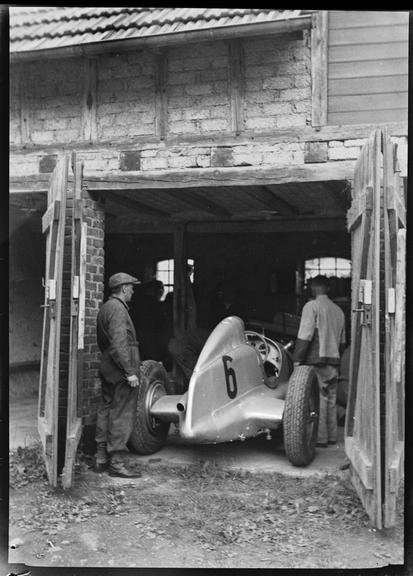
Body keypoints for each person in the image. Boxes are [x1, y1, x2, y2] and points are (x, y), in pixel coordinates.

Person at [94, 272, 142, 478]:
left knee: (106, 408)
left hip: (108, 364)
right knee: (122, 412)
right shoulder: (118, 310)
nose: (133, 290)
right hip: (120, 368)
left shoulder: (106, 307)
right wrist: (129, 371)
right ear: (123, 288)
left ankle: (101, 458)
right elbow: (119, 343)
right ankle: (118, 462)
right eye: (131, 287)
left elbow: (105, 343)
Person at [293, 275, 346, 448]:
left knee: (318, 399)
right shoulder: (339, 311)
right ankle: (331, 437)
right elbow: (343, 342)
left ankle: (320, 438)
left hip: (317, 361)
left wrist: (297, 359)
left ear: (315, 288)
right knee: (331, 399)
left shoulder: (311, 306)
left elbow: (305, 335)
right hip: (334, 361)